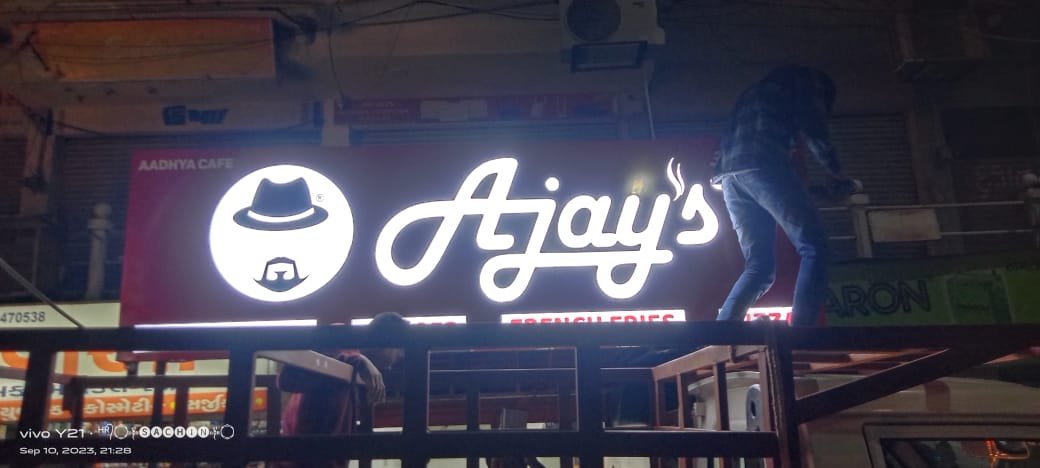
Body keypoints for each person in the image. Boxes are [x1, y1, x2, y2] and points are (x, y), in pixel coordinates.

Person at [712, 65, 851, 326]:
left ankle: (723, 331)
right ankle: (803, 331)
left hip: (730, 177)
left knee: (759, 267)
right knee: (815, 247)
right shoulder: (808, 84)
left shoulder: (752, 93)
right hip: (764, 165)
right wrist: (837, 173)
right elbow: (814, 127)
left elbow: (728, 137)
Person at [276, 312, 408, 467]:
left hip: (313, 457)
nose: (399, 358)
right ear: (387, 343)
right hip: (299, 459)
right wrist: (358, 361)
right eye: (399, 350)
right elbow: (287, 378)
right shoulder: (343, 337)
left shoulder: (359, 373)